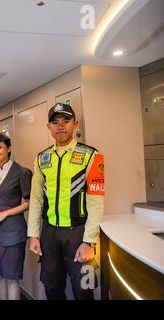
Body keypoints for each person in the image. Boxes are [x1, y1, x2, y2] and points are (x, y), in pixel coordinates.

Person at [28, 103, 105, 300]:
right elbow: (36, 200)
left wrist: (90, 241)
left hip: (79, 233)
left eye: (66, 121)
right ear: (48, 127)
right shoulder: (41, 158)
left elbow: (96, 201)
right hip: (49, 233)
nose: (60, 126)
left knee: (84, 289)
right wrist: (34, 235)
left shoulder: (92, 156)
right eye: (55, 122)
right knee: (52, 287)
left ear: (75, 124)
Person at [0, 132, 32, 300]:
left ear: (9, 149)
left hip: (13, 232)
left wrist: (5, 214)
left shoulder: (22, 172)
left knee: (12, 277)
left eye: (0, 147)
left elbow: (29, 202)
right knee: (0, 274)